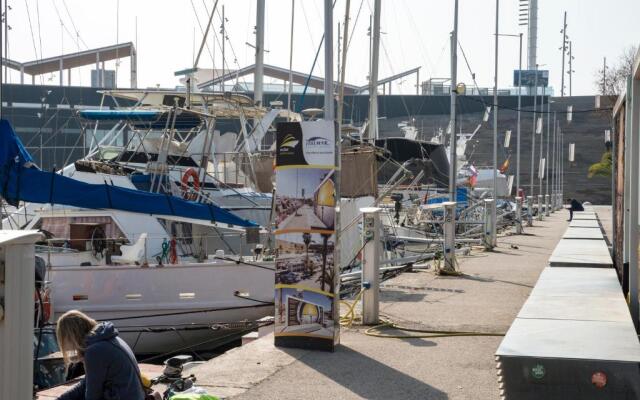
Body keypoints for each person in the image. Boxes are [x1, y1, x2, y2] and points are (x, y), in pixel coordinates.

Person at [56, 310, 145, 400]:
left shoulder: (94, 351)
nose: (66, 345)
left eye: (64, 339)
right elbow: (87, 383)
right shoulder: (106, 339)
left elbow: (92, 396)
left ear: (71, 336)